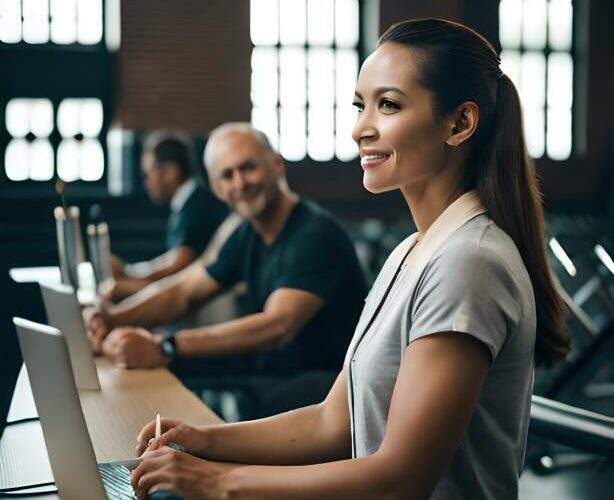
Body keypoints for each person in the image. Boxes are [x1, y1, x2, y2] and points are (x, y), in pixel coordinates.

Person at [129, 19, 571, 500]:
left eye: (389, 105)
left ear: (460, 123)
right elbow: (332, 421)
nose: (362, 128)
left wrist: (217, 482)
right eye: (361, 106)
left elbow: (401, 480)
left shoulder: (469, 262)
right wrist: (203, 441)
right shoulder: (412, 251)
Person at [87, 123, 368, 412]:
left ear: (277, 164)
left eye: (248, 168)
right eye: (226, 175)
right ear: (216, 188)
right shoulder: (246, 230)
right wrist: (111, 319)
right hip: (272, 371)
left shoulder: (314, 233)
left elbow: (276, 327)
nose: (239, 183)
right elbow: (185, 292)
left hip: (328, 389)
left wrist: (165, 347)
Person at [108, 130, 229, 301]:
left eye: (149, 173)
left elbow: (177, 268)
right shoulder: (191, 200)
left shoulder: (197, 205)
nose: (147, 182)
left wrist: (127, 275)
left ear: (170, 172)